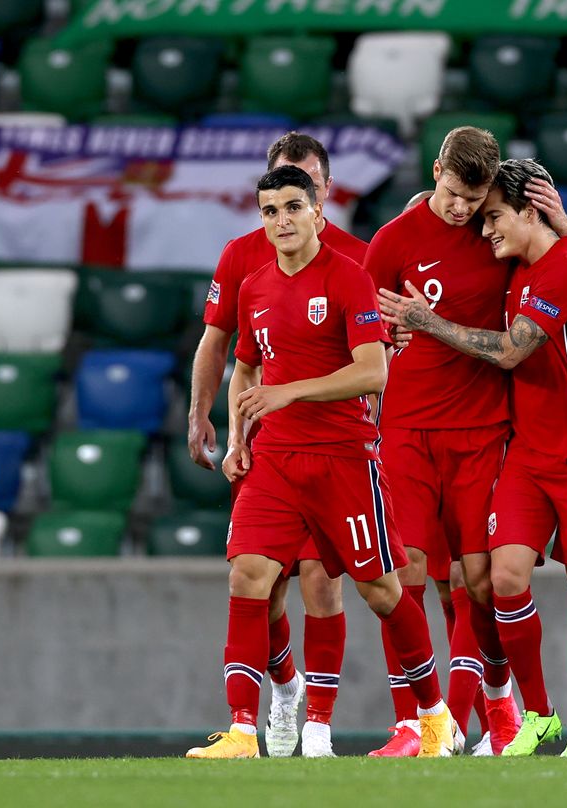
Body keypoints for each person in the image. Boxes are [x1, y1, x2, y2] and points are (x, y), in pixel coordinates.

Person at [186, 165, 455, 760]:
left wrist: (291, 391)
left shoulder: (349, 279)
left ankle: (435, 717)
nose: (280, 220)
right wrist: (238, 438)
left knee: (383, 592)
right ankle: (240, 730)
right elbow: (248, 370)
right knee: (248, 576)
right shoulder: (253, 285)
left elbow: (373, 372)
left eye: (291, 207)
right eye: (269, 211)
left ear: (316, 212)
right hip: (276, 458)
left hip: (343, 459)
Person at [363, 127, 567, 756]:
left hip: (484, 428)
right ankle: (419, 722)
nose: (463, 210)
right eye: (452, 193)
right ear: (436, 169)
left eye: (475, 200)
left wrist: (561, 219)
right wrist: (388, 343)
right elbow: (361, 327)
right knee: (405, 573)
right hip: (409, 430)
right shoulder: (395, 238)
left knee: (477, 579)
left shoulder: (499, 238)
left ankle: (496, 703)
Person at [188, 132, 365, 757]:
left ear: (324, 193)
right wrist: (208, 418)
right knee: (259, 583)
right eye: (276, 195)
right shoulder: (243, 257)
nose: (286, 213)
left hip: (337, 446)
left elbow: (380, 360)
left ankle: (316, 720)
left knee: (321, 578)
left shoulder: (357, 261)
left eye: (302, 191)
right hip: (268, 442)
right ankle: (281, 687)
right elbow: (225, 348)